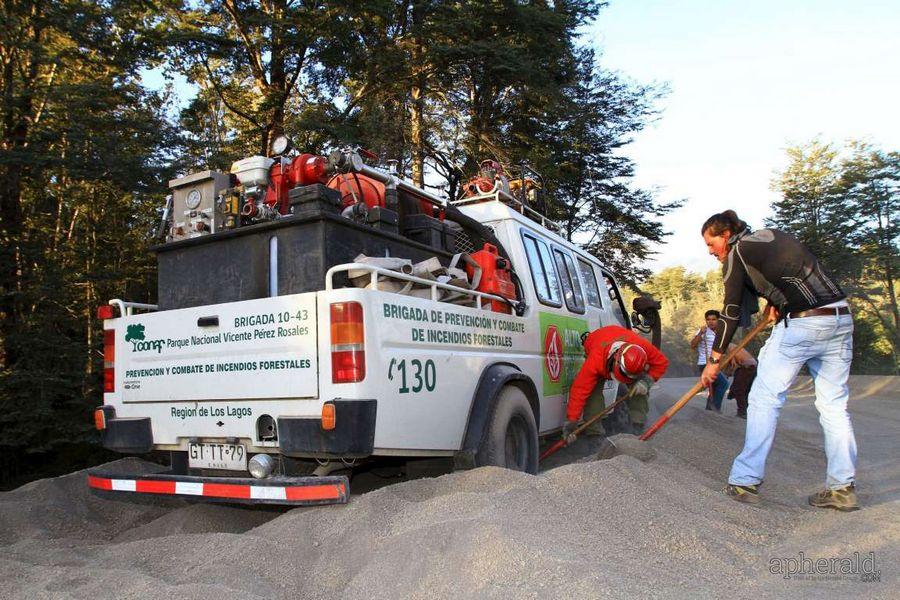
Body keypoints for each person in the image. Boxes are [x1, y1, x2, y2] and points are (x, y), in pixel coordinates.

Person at [699, 210, 857, 511]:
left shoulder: (737, 254)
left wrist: (715, 360)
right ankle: (842, 488)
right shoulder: (772, 236)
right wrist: (777, 301)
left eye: (711, 244)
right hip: (839, 317)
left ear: (727, 235)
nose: (710, 252)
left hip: (804, 324)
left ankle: (744, 479)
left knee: (764, 398)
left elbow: (730, 311)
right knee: (834, 405)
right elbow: (790, 272)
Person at [563, 325, 669, 440]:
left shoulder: (641, 346)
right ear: (616, 363)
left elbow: (662, 362)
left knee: (639, 387)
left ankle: (638, 428)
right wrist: (572, 422)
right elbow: (579, 390)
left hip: (618, 341)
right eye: (624, 376)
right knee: (593, 396)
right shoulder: (594, 361)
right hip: (599, 347)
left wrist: (647, 382)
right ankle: (595, 436)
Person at [690, 310, 730, 411]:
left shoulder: (721, 332)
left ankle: (709, 409)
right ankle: (715, 408)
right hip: (705, 363)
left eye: (713, 319)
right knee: (723, 384)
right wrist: (700, 334)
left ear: (718, 320)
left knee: (715, 386)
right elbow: (693, 345)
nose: (710, 322)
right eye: (708, 319)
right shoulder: (703, 331)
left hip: (716, 363)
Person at [724, 344, 757, 419]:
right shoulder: (732, 346)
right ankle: (747, 411)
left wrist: (727, 375)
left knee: (738, 390)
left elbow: (733, 364)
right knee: (745, 390)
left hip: (747, 367)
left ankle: (742, 412)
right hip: (750, 366)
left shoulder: (728, 347)